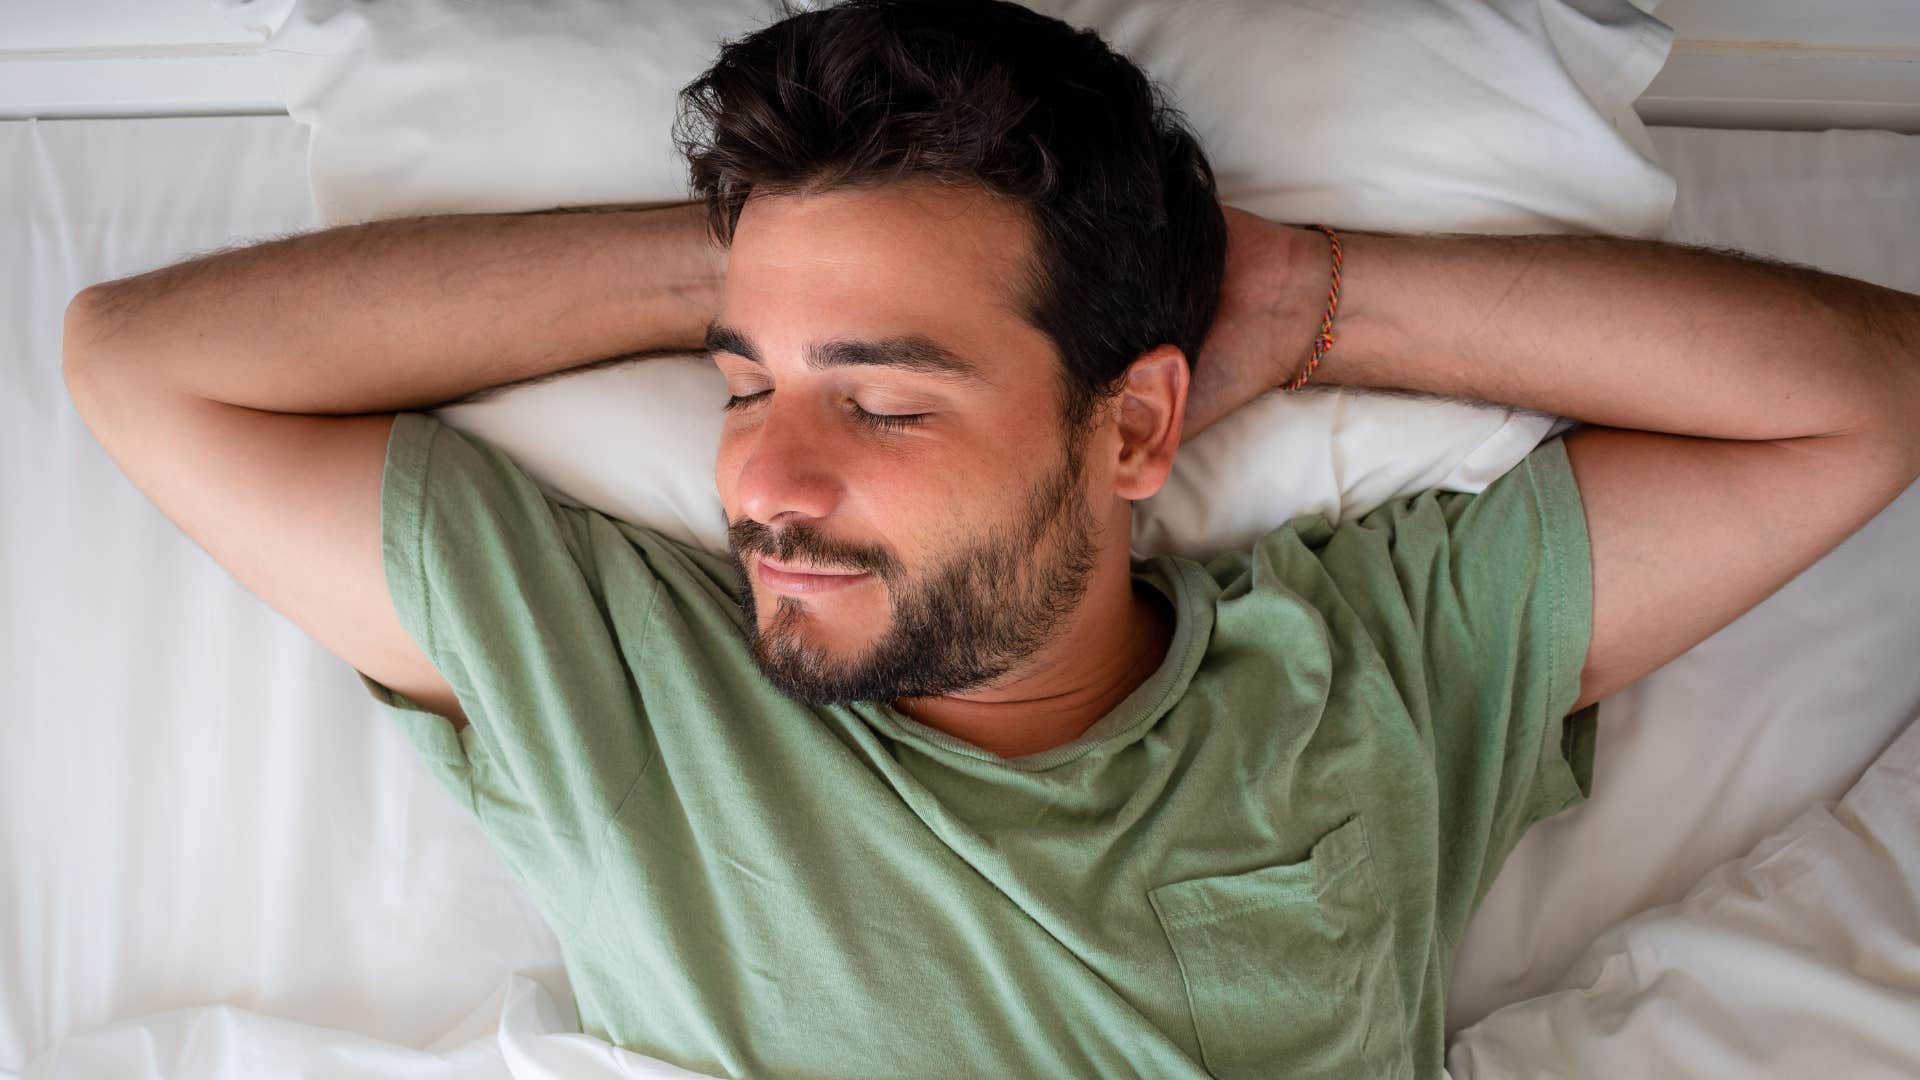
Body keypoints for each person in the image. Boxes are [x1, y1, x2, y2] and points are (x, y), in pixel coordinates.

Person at [61, 1, 1919, 1076]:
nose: (766, 480)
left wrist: (1326, 299)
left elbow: (1867, 397)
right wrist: (753, 271)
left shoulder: (1382, 667)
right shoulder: (626, 687)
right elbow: (139, 363)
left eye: (879, 401)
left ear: (1134, 426)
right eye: (737, 383)